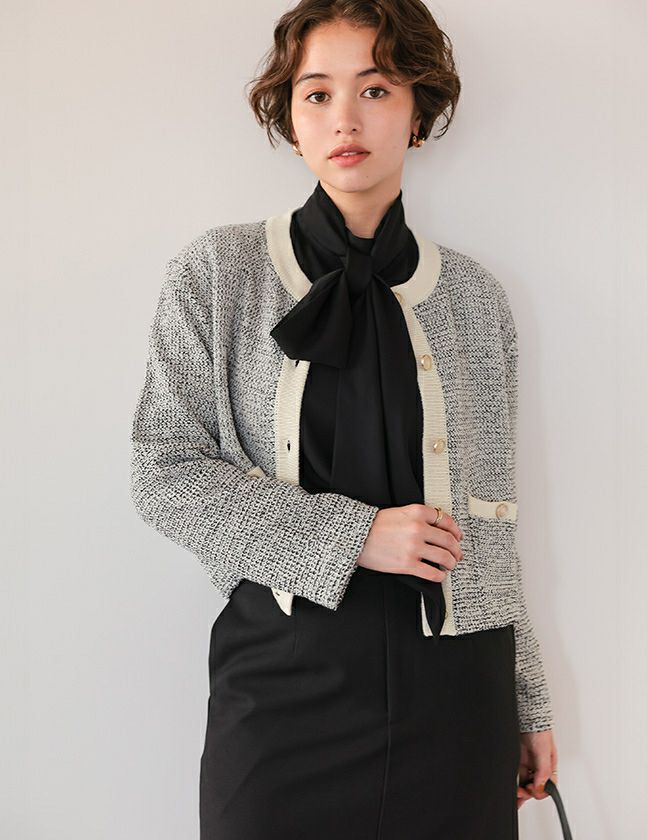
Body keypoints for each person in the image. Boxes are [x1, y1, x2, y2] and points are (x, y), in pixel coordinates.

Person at [130, 1, 559, 837]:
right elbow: (164, 473)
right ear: (291, 120)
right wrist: (355, 536)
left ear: (419, 113)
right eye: (317, 93)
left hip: (458, 699)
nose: (345, 119)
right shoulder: (217, 275)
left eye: (376, 89)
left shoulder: (475, 299)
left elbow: (494, 524)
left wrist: (528, 700)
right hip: (284, 693)